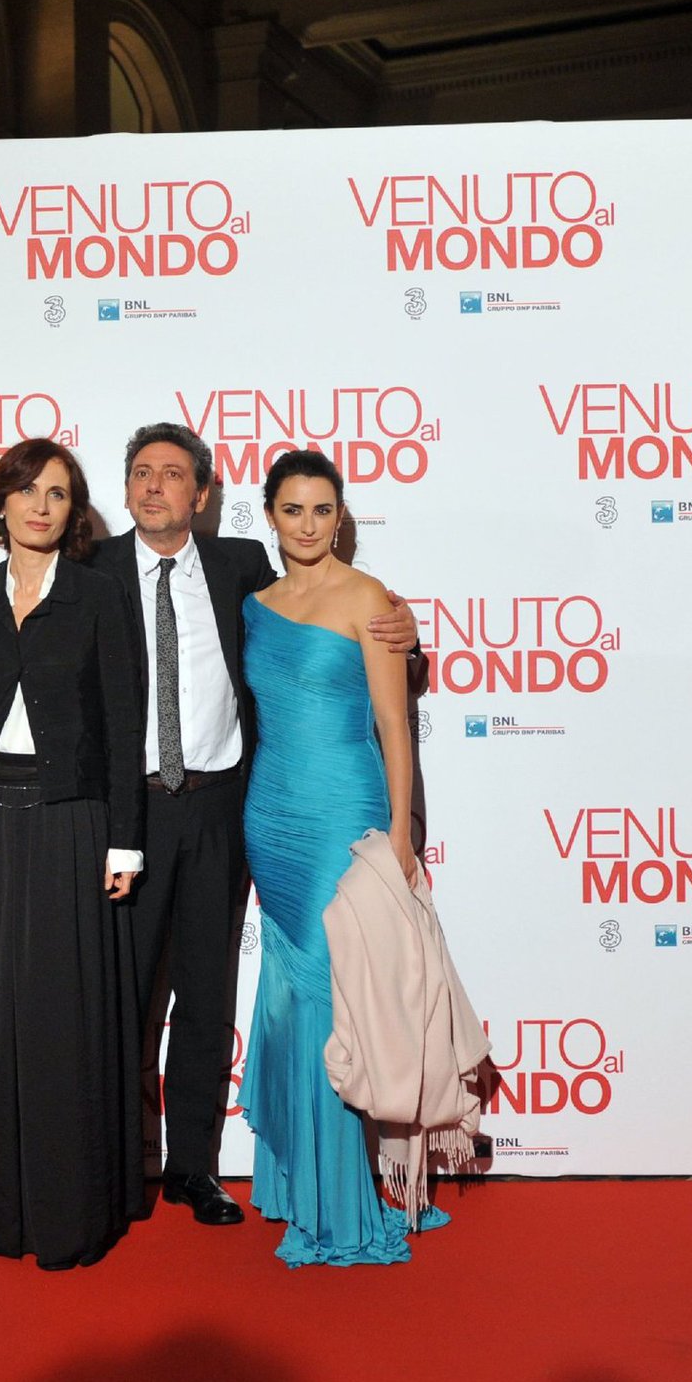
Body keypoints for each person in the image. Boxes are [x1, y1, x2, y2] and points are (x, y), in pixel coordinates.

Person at [0, 423, 414, 1228]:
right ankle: (118, 1163)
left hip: (225, 806)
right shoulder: (83, 573)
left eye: (173, 475)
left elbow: (321, 603)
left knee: (206, 992)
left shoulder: (243, 569)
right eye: (141, 473)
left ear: (202, 496)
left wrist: (400, 626)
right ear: (124, 491)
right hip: (117, 812)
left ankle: (194, 1170)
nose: (155, 486)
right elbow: (5, 658)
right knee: (118, 995)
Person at [0, 439, 145, 1270]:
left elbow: (124, 724)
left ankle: (73, 1217)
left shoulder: (97, 598)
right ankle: (9, 1211)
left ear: (73, 512)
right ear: (0, 504)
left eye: (58, 494)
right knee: (2, 1016)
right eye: (27, 490)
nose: (41, 506)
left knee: (63, 1018)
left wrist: (124, 836)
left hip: (72, 822)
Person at [239, 449, 443, 1266]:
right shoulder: (253, 605)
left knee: (335, 996)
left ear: (341, 516)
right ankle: (296, 1181)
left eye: (323, 510)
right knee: (290, 1000)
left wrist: (400, 831)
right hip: (271, 816)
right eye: (294, 509)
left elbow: (396, 726)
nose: (309, 525)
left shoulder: (370, 599)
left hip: (345, 816)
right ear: (271, 515)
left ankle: (343, 1203)